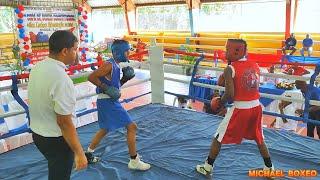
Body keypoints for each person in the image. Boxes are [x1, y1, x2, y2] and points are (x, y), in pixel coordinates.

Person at [196, 39, 274, 176]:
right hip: (256, 107)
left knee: (218, 136)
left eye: (227, 50)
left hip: (240, 108)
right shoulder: (255, 65)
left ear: (237, 51)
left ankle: (207, 167)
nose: (225, 52)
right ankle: (269, 168)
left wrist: (220, 101)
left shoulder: (230, 69)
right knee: (259, 138)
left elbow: (230, 94)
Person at [28, 30, 87, 180]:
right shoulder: (61, 79)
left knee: (55, 170)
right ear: (64, 51)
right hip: (56, 139)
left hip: (38, 134)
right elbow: (64, 122)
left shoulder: (37, 67)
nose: (76, 53)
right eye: (74, 49)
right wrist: (79, 152)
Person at [85, 39, 151, 170]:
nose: (128, 54)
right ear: (120, 52)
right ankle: (134, 160)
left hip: (107, 101)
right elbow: (91, 77)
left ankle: (88, 153)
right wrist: (104, 87)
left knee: (105, 129)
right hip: (107, 102)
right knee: (132, 127)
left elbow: (115, 87)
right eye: (126, 51)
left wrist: (124, 79)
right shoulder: (109, 65)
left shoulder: (115, 65)